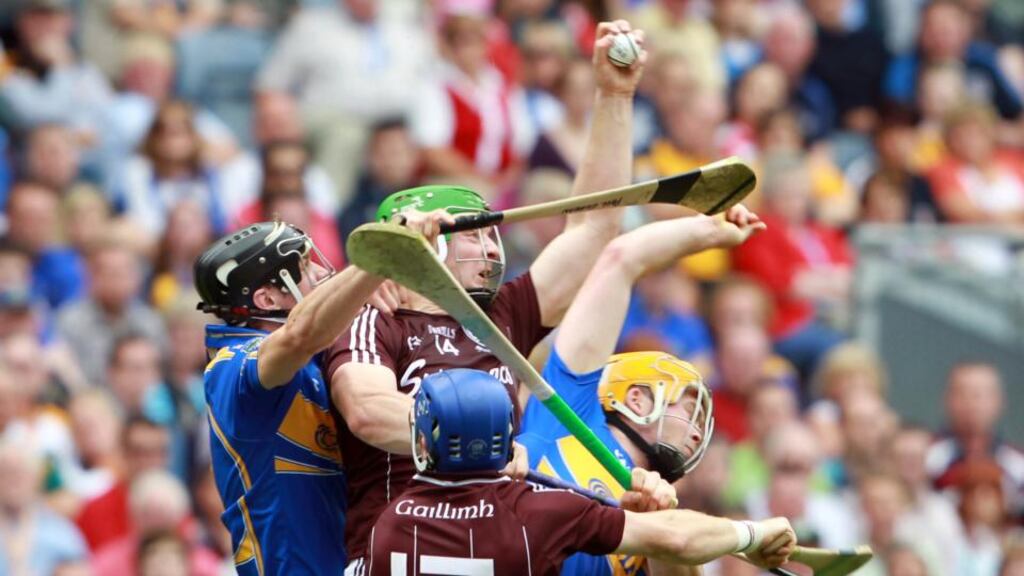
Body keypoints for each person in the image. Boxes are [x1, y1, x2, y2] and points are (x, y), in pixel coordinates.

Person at [322, 20, 651, 573]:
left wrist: (614, 95)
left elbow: (594, 230)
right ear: (416, 241)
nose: (489, 247)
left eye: (487, 232)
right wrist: (483, 442)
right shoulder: (374, 319)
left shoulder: (502, 316)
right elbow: (368, 412)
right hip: (399, 546)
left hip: (500, 546)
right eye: (468, 233)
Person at [517, 205, 764, 575]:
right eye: (688, 406)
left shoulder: (662, 505)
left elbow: (678, 556)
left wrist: (656, 525)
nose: (699, 431)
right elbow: (621, 258)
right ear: (636, 398)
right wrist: (708, 232)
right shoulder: (570, 413)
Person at [195, 213, 447, 575]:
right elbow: (300, 335)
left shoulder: (318, 355)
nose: (320, 272)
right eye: (303, 267)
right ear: (267, 298)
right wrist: (375, 262)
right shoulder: (231, 367)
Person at [367, 369, 798, 575]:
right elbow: (676, 539)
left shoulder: (388, 524)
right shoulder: (540, 513)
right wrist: (753, 534)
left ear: (425, 443)